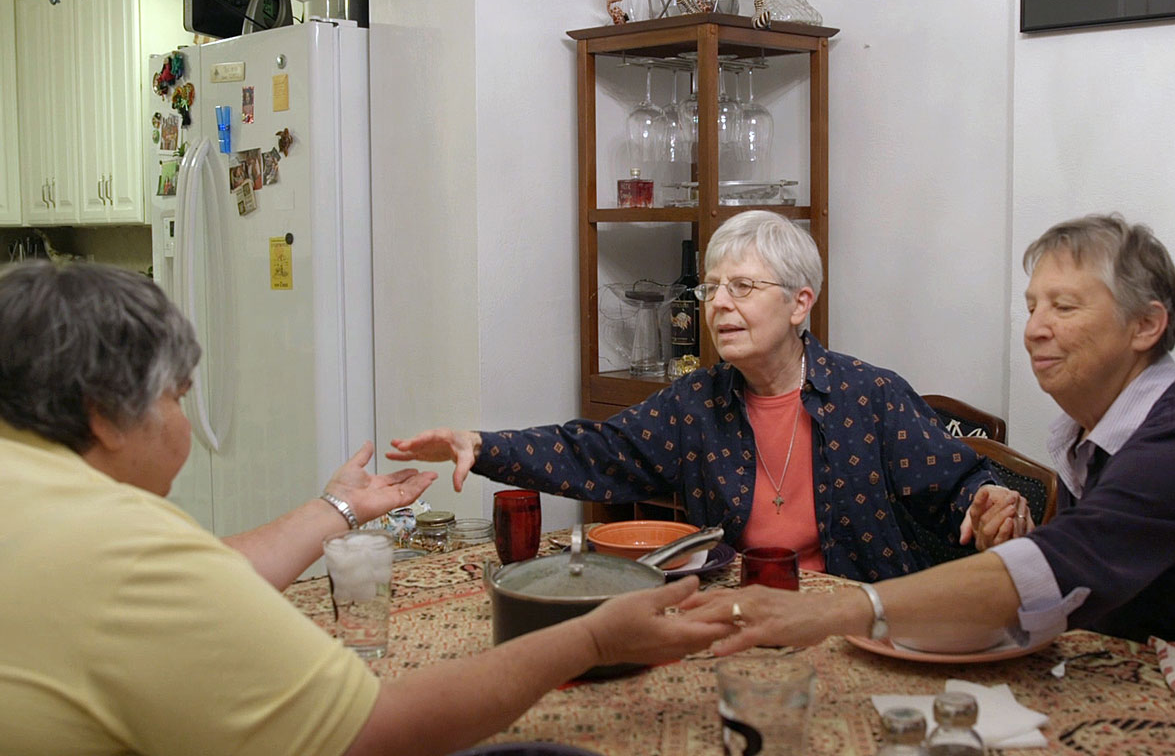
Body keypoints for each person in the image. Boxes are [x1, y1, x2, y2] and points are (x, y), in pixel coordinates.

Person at [0, 261, 736, 756]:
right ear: (102, 414)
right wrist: (593, 642)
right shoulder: (119, 549)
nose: (185, 426)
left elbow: (204, 575)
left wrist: (338, 508)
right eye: (175, 400)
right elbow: (377, 732)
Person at [389, 211, 1024, 583]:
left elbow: (962, 485)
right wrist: (483, 444)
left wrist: (991, 500)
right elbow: (593, 452)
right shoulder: (698, 402)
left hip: (853, 624)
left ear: (801, 302)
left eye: (743, 287)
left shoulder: (869, 396)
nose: (719, 304)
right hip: (730, 615)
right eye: (711, 288)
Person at [680, 213, 1175, 649]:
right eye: (1032, 306)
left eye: (1063, 307)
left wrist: (836, 612)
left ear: (1146, 326)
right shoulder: (1088, 438)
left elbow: (1052, 569)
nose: (1034, 328)